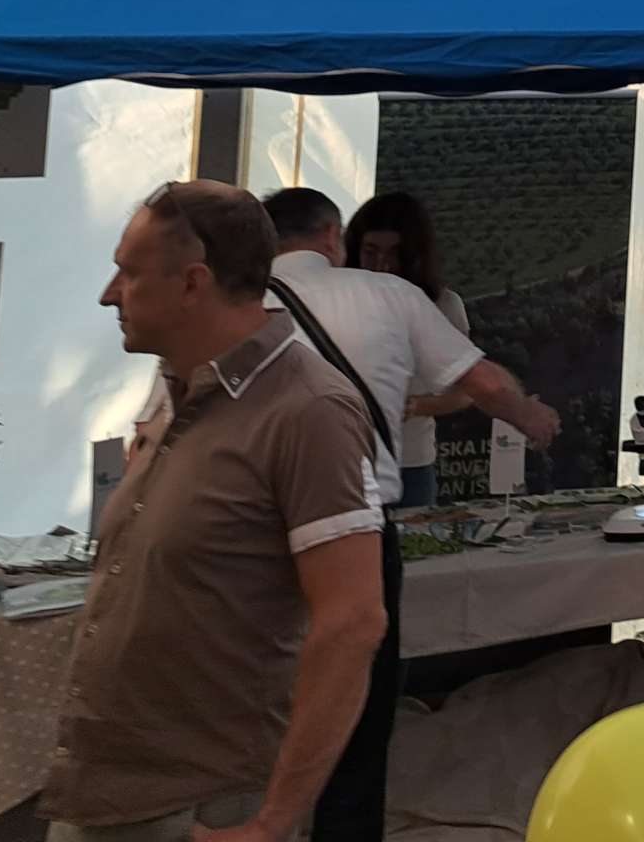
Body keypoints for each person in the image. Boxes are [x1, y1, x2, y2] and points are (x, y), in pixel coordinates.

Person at [40, 182, 388, 842]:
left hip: (203, 807)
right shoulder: (181, 391)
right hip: (106, 794)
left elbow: (353, 623)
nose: (109, 294)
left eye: (130, 273)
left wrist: (272, 823)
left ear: (193, 284)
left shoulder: (308, 409)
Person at [264, 187, 561, 842]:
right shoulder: (389, 297)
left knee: (259, 693)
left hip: (253, 533)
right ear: (333, 237)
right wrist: (533, 416)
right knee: (355, 706)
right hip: (354, 530)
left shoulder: (228, 304)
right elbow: (485, 384)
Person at [344, 190, 471, 509]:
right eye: (370, 252)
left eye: (394, 254)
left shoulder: (443, 306)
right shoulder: (335, 300)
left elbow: (466, 392)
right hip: (341, 461)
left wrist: (414, 406)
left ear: (415, 255)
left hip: (409, 466)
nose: (381, 265)